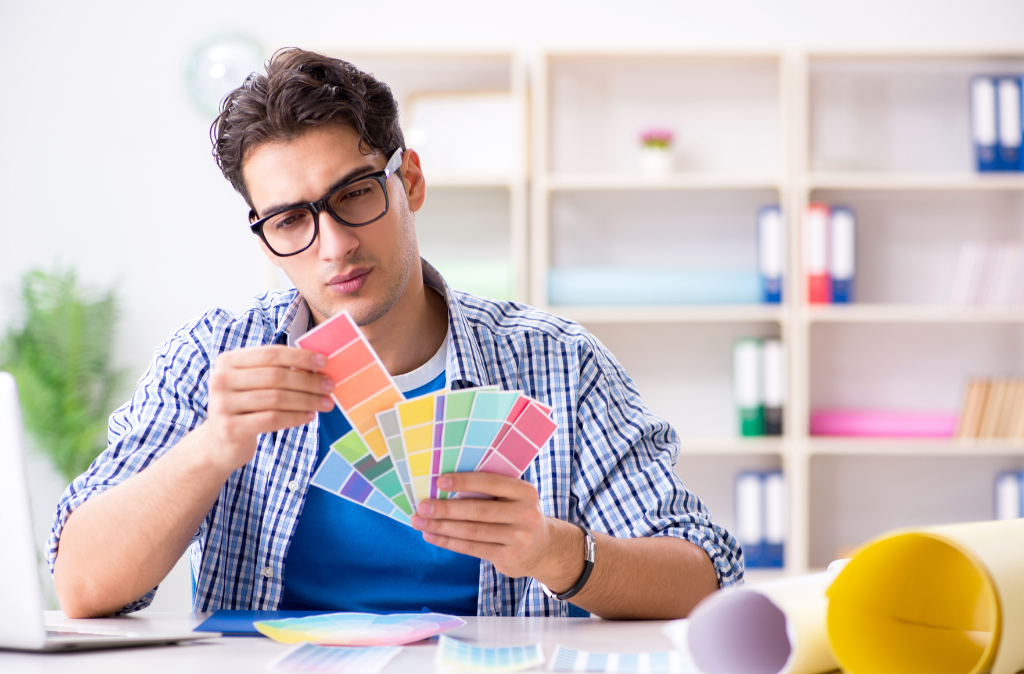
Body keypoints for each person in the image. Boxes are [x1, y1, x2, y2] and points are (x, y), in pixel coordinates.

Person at [48, 48, 742, 620]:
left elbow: (705, 578)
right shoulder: (213, 357)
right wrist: (213, 447)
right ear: (264, 238)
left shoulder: (558, 361)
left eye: (353, 194)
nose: (334, 245)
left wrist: (554, 553)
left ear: (408, 180)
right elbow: (80, 586)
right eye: (290, 220)